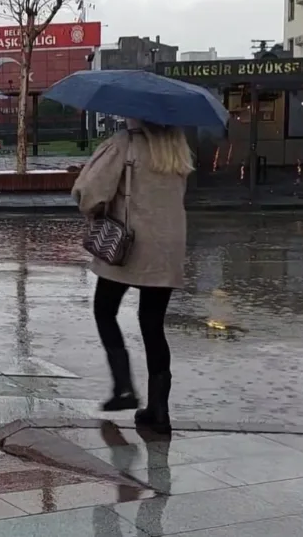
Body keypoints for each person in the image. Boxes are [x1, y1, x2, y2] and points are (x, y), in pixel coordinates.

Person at [71, 119, 192, 432]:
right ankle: (159, 409)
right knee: (152, 324)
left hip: (127, 243)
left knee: (104, 310)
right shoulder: (177, 148)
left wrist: (91, 207)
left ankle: (123, 386)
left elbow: (90, 192)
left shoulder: (124, 142)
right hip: (169, 245)